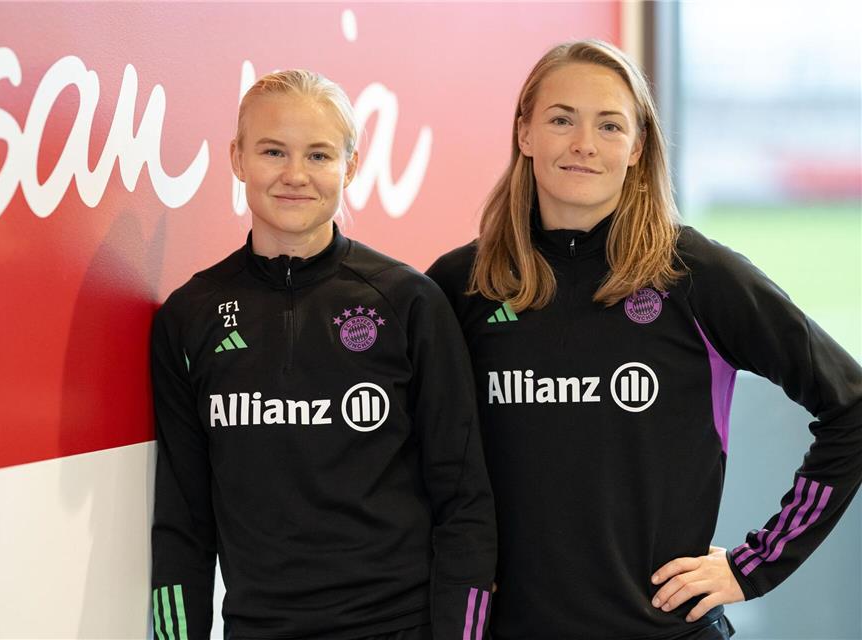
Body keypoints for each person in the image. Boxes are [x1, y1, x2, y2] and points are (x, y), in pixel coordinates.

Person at [426, 40, 862, 640]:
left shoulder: (696, 276)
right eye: (561, 119)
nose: (583, 143)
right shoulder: (460, 286)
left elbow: (852, 405)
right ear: (524, 132)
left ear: (636, 147)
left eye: (609, 125)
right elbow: (410, 461)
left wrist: (755, 565)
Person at [149, 70, 496, 640]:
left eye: (318, 155)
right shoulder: (190, 317)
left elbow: (465, 502)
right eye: (272, 151)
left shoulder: (409, 302)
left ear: (350, 167)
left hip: (397, 628)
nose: (294, 175)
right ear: (237, 159)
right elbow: (183, 521)